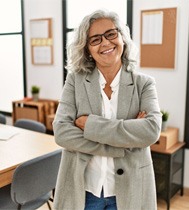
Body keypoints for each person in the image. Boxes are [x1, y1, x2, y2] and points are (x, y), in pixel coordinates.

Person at [53, 9, 162, 210]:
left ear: (122, 37)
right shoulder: (75, 81)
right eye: (95, 39)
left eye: (111, 34)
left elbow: (151, 131)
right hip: (84, 191)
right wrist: (124, 142)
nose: (105, 43)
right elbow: (61, 132)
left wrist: (90, 125)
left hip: (129, 190)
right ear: (87, 49)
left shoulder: (144, 84)